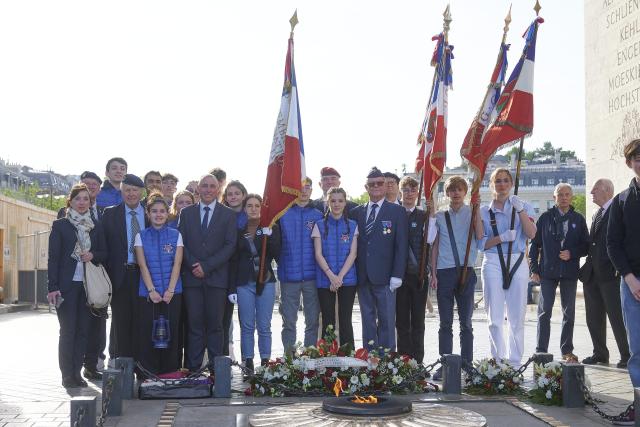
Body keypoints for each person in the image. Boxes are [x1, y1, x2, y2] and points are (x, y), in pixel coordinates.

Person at [47, 184, 107, 388]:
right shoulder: (60, 226)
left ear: (90, 203)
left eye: (86, 199)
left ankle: (77, 373)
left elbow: (104, 253)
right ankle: (66, 375)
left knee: (83, 331)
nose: (82, 203)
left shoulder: (96, 226)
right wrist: (52, 287)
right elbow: (53, 259)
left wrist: (93, 255)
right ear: (70, 202)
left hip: (88, 286)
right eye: (78, 199)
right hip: (66, 287)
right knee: (67, 330)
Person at [178, 174, 237, 373]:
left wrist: (207, 266)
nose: (208, 189)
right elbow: (181, 243)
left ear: (218, 189)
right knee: (194, 326)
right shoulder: (186, 214)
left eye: (212, 186)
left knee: (216, 326)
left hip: (217, 279)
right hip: (191, 278)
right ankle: (193, 370)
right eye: (204, 186)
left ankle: (216, 371)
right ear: (199, 189)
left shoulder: (228, 214)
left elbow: (230, 245)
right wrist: (195, 264)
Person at [479, 168, 537, 367]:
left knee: (516, 317)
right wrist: (500, 238)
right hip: (494, 260)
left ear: (511, 184)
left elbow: (531, 234)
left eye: (505, 181)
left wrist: (520, 210)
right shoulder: (484, 212)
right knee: (494, 318)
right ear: (492, 184)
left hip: (517, 260)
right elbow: (481, 244)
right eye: (498, 181)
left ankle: (514, 363)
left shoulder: (524, 206)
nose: (502, 185)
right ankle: (497, 360)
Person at [428, 176, 483, 378]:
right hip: (445, 270)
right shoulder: (441, 216)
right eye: (452, 190)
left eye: (460, 189)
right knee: (445, 321)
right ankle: (446, 362)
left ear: (465, 192)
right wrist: (433, 272)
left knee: (466, 322)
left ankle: (467, 363)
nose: (456, 193)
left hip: (466, 271)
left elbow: (480, 235)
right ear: (447, 193)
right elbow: (434, 246)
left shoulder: (473, 212)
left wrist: (476, 212)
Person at [530, 183, 589, 361]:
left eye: (567, 194)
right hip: (548, 271)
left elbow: (586, 246)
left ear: (571, 197)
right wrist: (534, 269)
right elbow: (535, 245)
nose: (564, 197)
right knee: (544, 312)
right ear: (554, 197)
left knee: (568, 313)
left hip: (570, 272)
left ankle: (567, 351)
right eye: (560, 194)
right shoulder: (545, 218)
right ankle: (541, 350)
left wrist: (572, 253)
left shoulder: (578, 219)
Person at [351, 167, 408, 351]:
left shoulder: (397, 211)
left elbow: (401, 245)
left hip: (386, 277)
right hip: (363, 275)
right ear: (366, 187)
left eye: (380, 183)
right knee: (367, 320)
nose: (376, 186)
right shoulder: (357, 212)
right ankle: (369, 360)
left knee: (386, 321)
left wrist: (397, 274)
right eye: (372, 184)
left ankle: (388, 363)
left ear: (385, 186)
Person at [607, 139, 640, 424]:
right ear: (630, 163)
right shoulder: (620, 201)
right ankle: (639, 406)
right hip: (633, 285)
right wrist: (629, 278)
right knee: (637, 349)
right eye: (637, 158)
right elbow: (612, 244)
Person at [580, 179, 629, 368]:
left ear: (607, 190)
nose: (591, 192)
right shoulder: (596, 214)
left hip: (611, 274)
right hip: (592, 275)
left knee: (617, 317)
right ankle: (600, 353)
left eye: (595, 189)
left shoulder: (618, 210)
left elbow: (621, 242)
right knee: (593, 317)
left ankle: (626, 355)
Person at [134, 192, 184, 375]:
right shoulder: (141, 236)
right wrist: (151, 290)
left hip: (173, 293)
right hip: (148, 294)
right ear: (148, 213)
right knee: (148, 333)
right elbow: (142, 265)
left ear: (167, 213)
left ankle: (170, 371)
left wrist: (170, 290)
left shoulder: (176, 235)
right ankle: (149, 372)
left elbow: (177, 264)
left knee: (172, 333)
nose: (158, 214)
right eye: (154, 211)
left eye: (162, 211)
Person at [230, 194, 281, 372]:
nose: (253, 209)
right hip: (244, 282)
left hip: (265, 280)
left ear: (262, 208)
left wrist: (271, 236)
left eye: (256, 206)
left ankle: (266, 361)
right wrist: (232, 287)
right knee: (247, 325)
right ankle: (248, 361)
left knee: (264, 325)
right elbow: (234, 260)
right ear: (244, 208)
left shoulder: (270, 227)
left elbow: (277, 253)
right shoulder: (238, 230)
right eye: (249, 205)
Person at [102, 174, 147, 361]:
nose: (131, 194)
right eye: (127, 190)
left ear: (141, 192)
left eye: (134, 190)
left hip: (145, 276)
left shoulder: (149, 214)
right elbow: (104, 246)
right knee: (120, 322)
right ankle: (121, 363)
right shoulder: (110, 214)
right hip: (120, 275)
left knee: (142, 321)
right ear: (121, 191)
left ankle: (141, 363)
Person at [278, 177, 323, 354]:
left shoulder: (319, 216)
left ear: (312, 190)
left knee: (312, 320)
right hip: (289, 275)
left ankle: (309, 355)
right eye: (300, 187)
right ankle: (289, 357)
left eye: (307, 187)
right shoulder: (283, 214)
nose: (304, 191)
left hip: (313, 276)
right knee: (289, 320)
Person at [312, 187, 358, 349]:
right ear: (328, 202)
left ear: (345, 203)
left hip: (348, 279)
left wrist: (340, 277)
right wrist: (331, 276)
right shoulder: (319, 225)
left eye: (340, 201)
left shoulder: (353, 225)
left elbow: (352, 254)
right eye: (333, 201)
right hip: (325, 280)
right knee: (328, 320)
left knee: (345, 319)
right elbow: (318, 254)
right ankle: (327, 360)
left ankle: (349, 357)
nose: (337, 204)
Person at [394, 176, 432, 363]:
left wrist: (431, 216)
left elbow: (431, 240)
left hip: (418, 276)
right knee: (401, 321)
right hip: (399, 276)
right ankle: (403, 360)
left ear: (418, 193)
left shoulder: (425, 215)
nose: (409, 194)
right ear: (400, 192)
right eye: (406, 190)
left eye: (413, 190)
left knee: (418, 321)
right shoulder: (394, 214)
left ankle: (417, 361)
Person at [222, 180, 249, 359]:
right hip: (225, 272)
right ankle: (224, 357)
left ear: (243, 195)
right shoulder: (222, 215)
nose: (233, 197)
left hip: (247, 273)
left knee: (248, 322)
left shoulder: (251, 216)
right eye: (230, 194)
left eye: (236, 193)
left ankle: (248, 359)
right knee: (224, 320)